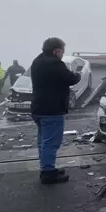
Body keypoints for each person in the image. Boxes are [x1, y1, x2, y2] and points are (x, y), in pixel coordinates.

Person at [31, 37, 81, 184]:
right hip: (51, 110)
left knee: (43, 141)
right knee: (51, 142)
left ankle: (47, 168)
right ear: (56, 51)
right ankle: (48, 173)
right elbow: (71, 79)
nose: (62, 55)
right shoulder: (55, 63)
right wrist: (77, 74)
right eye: (62, 52)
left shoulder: (38, 60)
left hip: (39, 108)